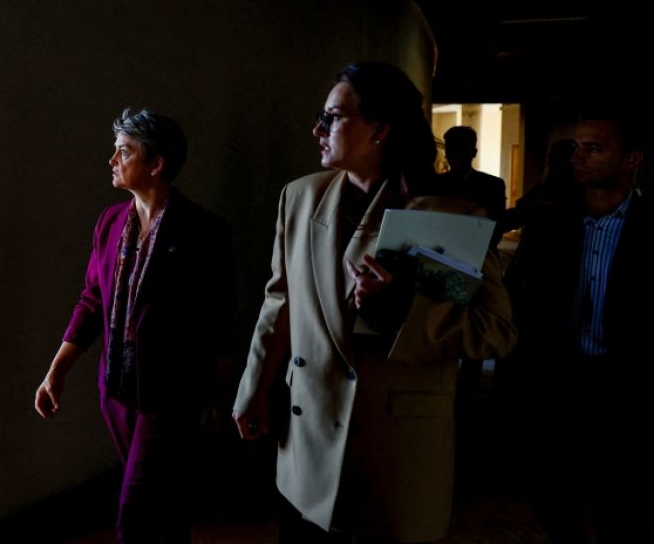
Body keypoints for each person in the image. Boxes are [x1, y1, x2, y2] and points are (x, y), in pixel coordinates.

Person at [232, 62, 516, 544]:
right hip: (309, 431)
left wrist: (404, 310)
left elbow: (495, 331)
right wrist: (254, 386)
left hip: (398, 443)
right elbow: (279, 300)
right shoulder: (300, 198)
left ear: (380, 129)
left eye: (334, 118)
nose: (317, 130)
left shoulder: (447, 217)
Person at [35, 109, 236, 543]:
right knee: (161, 508)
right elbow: (92, 302)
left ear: (156, 164)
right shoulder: (110, 223)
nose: (112, 160)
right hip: (117, 392)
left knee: (135, 515)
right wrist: (57, 371)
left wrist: (222, 399)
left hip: (171, 397)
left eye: (123, 152)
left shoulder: (204, 232)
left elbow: (219, 321)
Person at [503, 112, 652, 543]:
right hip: (558, 380)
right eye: (575, 147)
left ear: (631, 159)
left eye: (594, 148)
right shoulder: (552, 222)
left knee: (623, 503)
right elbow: (520, 297)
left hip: (626, 386)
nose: (578, 157)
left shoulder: (649, 225)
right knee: (553, 497)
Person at [434, 125, 507, 227]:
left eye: (461, 149)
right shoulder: (434, 184)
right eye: (452, 149)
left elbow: (497, 225)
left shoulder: (493, 186)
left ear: (473, 153)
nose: (456, 154)